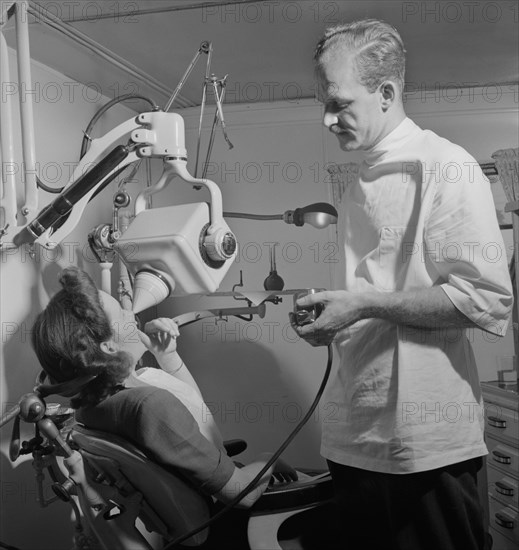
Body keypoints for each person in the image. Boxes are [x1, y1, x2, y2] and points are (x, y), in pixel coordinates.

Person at [290, 19, 514, 550]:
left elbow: (483, 298)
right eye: (322, 102)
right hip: (354, 438)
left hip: (423, 446)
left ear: (387, 92)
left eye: (339, 103)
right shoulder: (359, 182)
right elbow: (377, 298)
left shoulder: (448, 166)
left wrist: (363, 302)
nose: (326, 119)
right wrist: (334, 319)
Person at [31, 266, 297, 547]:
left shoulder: (100, 404)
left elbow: (197, 418)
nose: (130, 313)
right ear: (109, 348)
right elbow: (241, 493)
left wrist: (167, 356)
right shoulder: (150, 407)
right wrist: (270, 458)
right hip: (227, 524)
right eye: (121, 315)